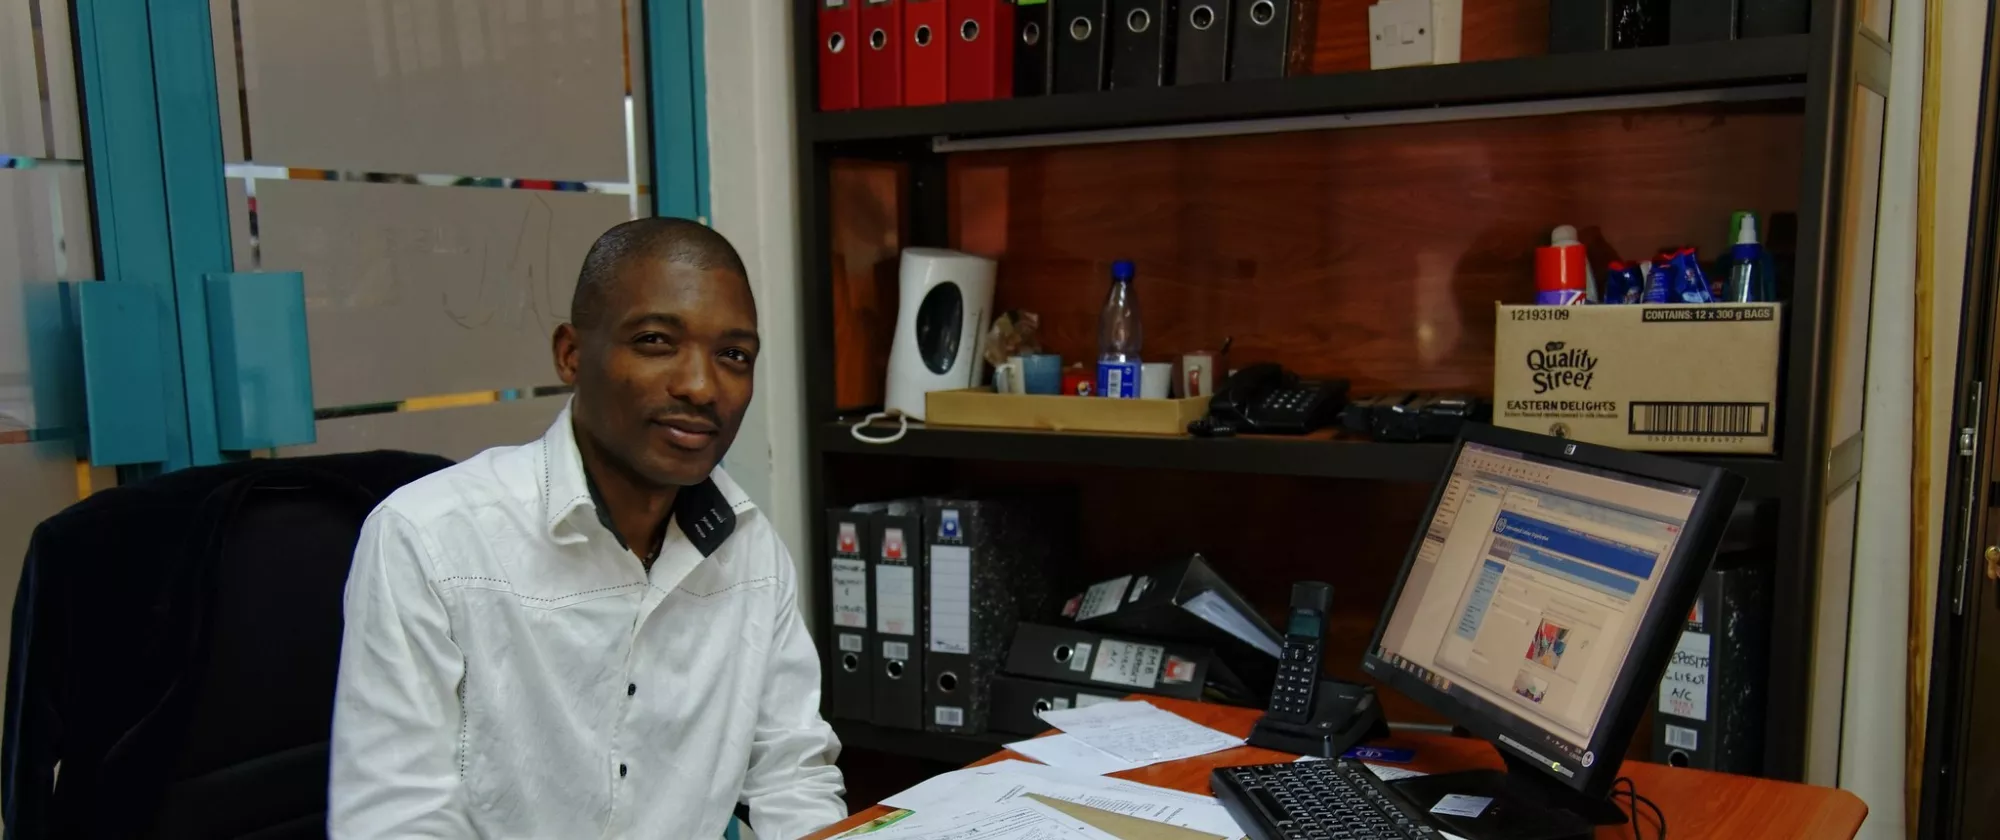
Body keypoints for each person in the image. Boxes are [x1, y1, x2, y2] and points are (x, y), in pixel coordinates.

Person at [328, 218, 845, 839]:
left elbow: (791, 777)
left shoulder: (747, 548)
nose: (701, 386)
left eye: (733, 355)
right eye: (656, 341)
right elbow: (397, 822)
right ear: (571, 354)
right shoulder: (431, 539)